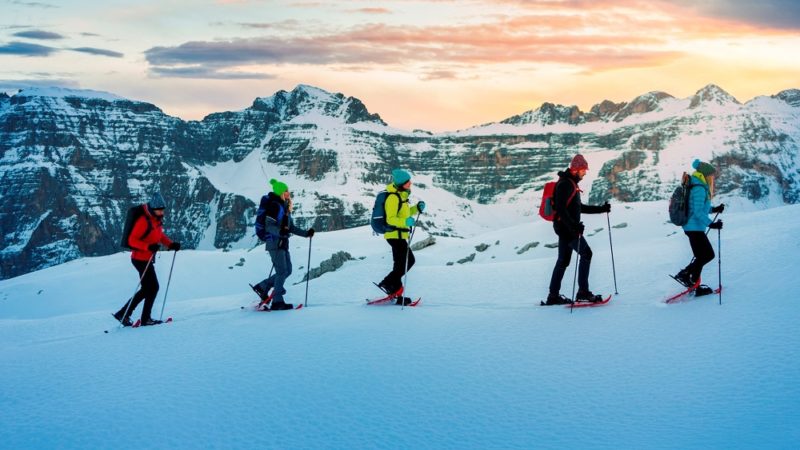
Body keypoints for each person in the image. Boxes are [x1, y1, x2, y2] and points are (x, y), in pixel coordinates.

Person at [545, 155, 611, 305]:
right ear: (575, 169)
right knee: (586, 253)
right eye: (583, 170)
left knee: (563, 261)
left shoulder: (570, 183)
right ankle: (583, 292)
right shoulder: (566, 185)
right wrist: (574, 226)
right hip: (567, 229)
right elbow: (561, 209)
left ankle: (553, 295)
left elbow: (579, 208)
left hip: (565, 228)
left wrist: (602, 209)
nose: (585, 173)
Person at [113, 193, 181, 326]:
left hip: (147, 258)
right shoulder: (143, 221)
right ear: (153, 208)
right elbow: (132, 240)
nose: (162, 212)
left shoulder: (156, 220)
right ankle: (143, 318)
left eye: (163, 209)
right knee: (153, 287)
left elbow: (159, 235)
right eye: (159, 210)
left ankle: (124, 314)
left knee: (147, 288)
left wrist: (171, 244)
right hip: (140, 259)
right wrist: (148, 246)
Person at [252, 179, 314, 310]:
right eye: (285, 191)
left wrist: (306, 233)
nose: (288, 193)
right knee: (281, 272)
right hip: (274, 242)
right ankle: (277, 301)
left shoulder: (284, 207)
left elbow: (290, 228)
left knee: (288, 270)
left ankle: (263, 286)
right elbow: (269, 226)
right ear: (280, 192)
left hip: (283, 243)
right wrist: (280, 232)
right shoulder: (274, 205)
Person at [674, 159, 724, 294]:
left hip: (692, 226)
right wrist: (711, 224)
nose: (712, 179)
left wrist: (714, 209)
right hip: (693, 226)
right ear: (705, 175)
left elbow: (700, 208)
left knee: (700, 255)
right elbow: (696, 212)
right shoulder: (700, 188)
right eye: (711, 176)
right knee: (708, 255)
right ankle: (685, 274)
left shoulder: (697, 184)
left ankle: (694, 283)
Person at [376, 169, 425, 305]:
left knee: (399, 264)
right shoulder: (393, 197)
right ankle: (387, 283)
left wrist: (417, 208)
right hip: (394, 235)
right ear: (401, 183)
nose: (410, 183)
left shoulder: (401, 196)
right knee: (409, 261)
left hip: (399, 235)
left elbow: (405, 213)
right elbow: (391, 219)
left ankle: (395, 291)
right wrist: (405, 222)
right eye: (407, 181)